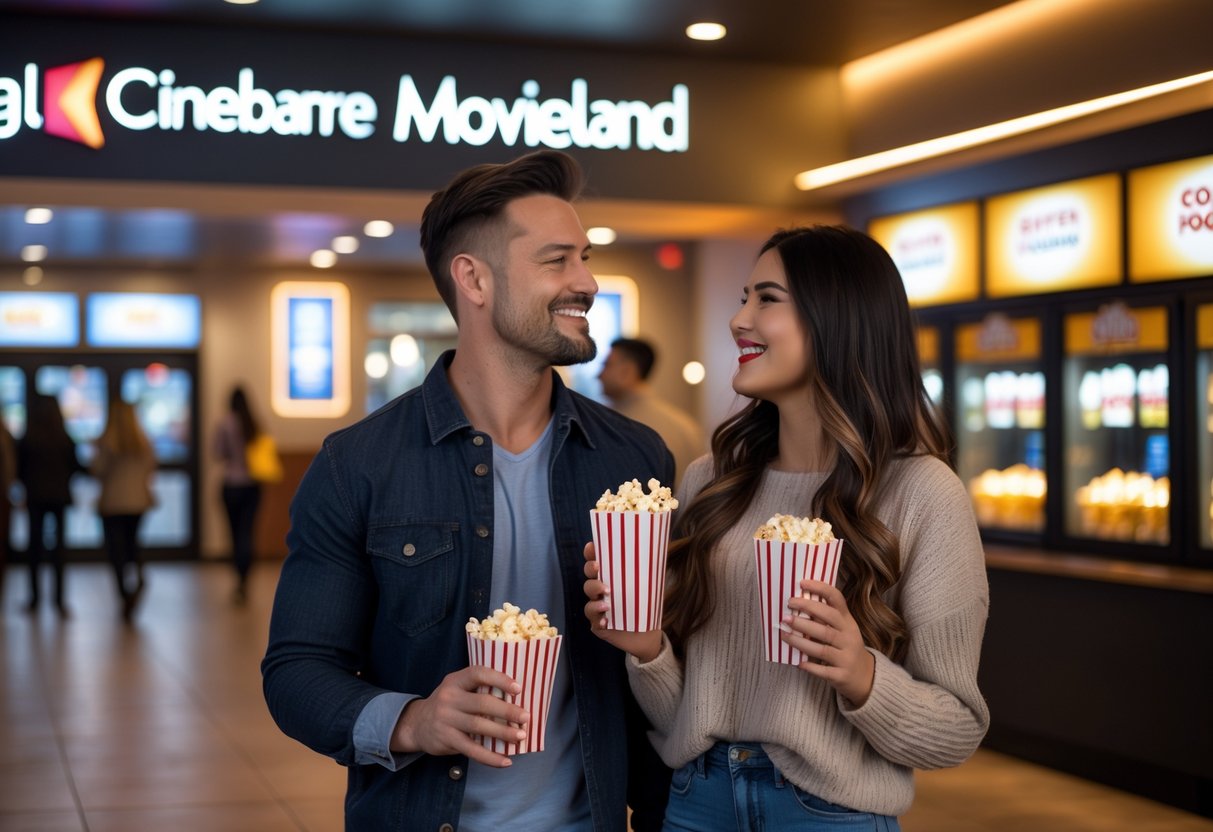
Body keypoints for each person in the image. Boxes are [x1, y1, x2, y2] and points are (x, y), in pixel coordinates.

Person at [262, 150, 673, 832]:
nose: (587, 282)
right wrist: (412, 720)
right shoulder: (357, 464)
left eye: (586, 258)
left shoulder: (631, 459)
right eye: (557, 260)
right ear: (473, 279)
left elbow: (660, 687)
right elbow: (297, 672)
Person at [584, 226, 990, 830]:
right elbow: (681, 716)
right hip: (697, 801)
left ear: (837, 319)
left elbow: (955, 731)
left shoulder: (922, 493)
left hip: (830, 814)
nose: (739, 319)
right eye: (743, 297)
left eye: (766, 299)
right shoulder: (710, 481)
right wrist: (645, 645)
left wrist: (861, 674)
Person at [598, 337, 706, 487]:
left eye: (606, 365)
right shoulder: (684, 425)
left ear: (626, 371)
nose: (598, 375)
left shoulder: (612, 425)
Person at [17, 393, 81, 617]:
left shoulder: (28, 438)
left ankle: (34, 599)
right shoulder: (64, 438)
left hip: (35, 497)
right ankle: (59, 601)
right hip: (59, 497)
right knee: (59, 550)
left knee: (34, 547)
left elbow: (19, 470)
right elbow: (75, 466)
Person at [92, 400, 156, 622]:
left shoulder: (107, 442)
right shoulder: (143, 441)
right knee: (132, 544)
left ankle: (124, 594)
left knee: (116, 551)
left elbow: (97, 470)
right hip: (138, 502)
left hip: (113, 503)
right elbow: (151, 468)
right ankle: (139, 576)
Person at [213, 385, 266, 603]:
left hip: (231, 484)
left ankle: (239, 576)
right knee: (248, 531)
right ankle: (245, 578)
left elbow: (216, 453)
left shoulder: (225, 424)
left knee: (234, 533)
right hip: (253, 484)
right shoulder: (254, 424)